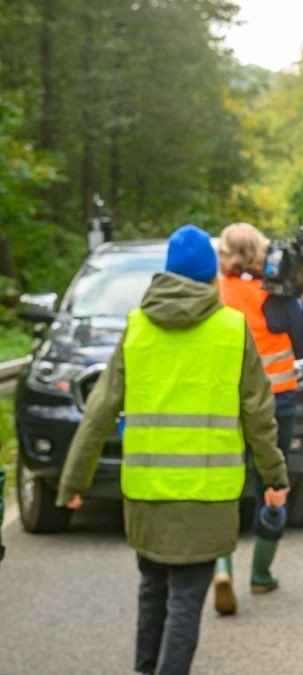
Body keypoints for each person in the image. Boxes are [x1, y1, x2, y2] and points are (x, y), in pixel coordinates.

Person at [58, 224, 289, 674]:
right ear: (209, 276)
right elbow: (259, 415)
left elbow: (99, 411)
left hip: (147, 495)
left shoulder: (138, 327)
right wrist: (275, 477)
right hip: (208, 496)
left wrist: (73, 482)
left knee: (152, 591)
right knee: (185, 602)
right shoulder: (230, 329)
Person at [213, 223, 303, 614]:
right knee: (273, 486)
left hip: (225, 403)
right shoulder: (275, 296)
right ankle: (259, 576)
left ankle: (221, 567)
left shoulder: (215, 292)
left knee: (224, 484)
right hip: (276, 402)